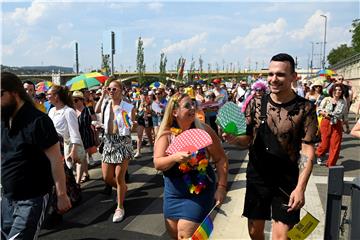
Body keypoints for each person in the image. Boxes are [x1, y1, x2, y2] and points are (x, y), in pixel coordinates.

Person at [223, 53, 318, 239]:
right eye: (271, 74)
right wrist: (235, 139)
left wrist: (300, 188)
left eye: (280, 74)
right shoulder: (256, 102)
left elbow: (307, 151)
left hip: (287, 179)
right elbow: (247, 139)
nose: (274, 79)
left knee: (282, 236)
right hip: (258, 176)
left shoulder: (306, 108)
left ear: (293, 77)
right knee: (254, 231)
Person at [1, 72, 71, 240]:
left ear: (14, 93)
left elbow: (55, 159)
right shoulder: (4, 119)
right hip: (7, 197)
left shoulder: (38, 121)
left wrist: (61, 195)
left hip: (32, 198)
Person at [153, 92, 228, 239]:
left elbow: (221, 159)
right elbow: (157, 163)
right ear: (175, 112)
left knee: (185, 235)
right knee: (175, 235)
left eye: (193, 104)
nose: (193, 108)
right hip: (173, 194)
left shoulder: (204, 131)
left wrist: (221, 188)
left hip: (200, 192)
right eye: (187, 106)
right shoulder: (166, 135)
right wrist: (174, 157)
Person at [95, 79, 135, 222]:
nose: (111, 92)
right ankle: (122, 189)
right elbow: (96, 110)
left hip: (122, 142)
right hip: (108, 142)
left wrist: (130, 123)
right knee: (106, 177)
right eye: (109, 89)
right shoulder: (105, 103)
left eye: (114, 89)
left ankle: (120, 207)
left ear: (121, 90)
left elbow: (131, 127)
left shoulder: (128, 107)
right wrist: (101, 95)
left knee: (119, 177)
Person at [316, 83, 347, 167]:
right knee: (325, 144)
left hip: (337, 123)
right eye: (335, 90)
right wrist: (324, 113)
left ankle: (331, 164)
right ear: (332, 91)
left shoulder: (343, 102)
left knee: (335, 145)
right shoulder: (326, 99)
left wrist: (346, 127)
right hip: (326, 122)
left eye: (339, 90)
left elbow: (344, 115)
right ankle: (319, 154)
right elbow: (319, 109)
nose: (337, 91)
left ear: (342, 91)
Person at [72, 91, 97, 184]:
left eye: (76, 100)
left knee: (81, 158)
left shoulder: (88, 109)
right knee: (82, 158)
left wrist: (96, 134)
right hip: (76, 136)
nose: (74, 101)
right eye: (73, 100)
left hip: (86, 135)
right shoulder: (72, 111)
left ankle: (77, 182)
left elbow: (94, 121)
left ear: (82, 100)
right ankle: (86, 174)